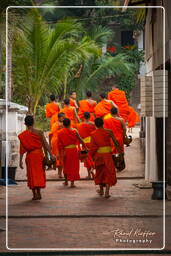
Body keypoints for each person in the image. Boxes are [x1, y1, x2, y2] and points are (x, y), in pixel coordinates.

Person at [18, 115, 55, 200]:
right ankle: (39, 192)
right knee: (39, 174)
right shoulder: (39, 132)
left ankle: (34, 194)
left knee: (32, 175)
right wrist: (51, 154)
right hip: (39, 155)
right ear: (33, 122)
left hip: (30, 156)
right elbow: (45, 144)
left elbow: (21, 149)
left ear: (25, 124)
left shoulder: (23, 135)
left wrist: (20, 161)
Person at [89, 118, 122, 198]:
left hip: (99, 156)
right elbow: (116, 142)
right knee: (108, 172)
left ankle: (101, 190)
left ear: (95, 125)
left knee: (100, 172)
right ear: (103, 123)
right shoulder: (109, 131)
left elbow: (93, 147)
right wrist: (120, 151)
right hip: (107, 155)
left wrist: (92, 156)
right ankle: (106, 192)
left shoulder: (93, 134)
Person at [58, 118, 87, 187]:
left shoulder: (60, 132)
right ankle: (72, 183)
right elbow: (81, 140)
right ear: (70, 123)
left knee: (66, 166)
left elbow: (59, 144)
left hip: (65, 151)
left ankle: (66, 181)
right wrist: (85, 147)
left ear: (63, 124)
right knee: (74, 166)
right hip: (74, 150)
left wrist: (60, 153)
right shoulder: (74, 130)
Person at [77, 112, 96, 179]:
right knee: (93, 157)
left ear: (83, 117)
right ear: (89, 117)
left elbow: (79, 136)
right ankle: (93, 169)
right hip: (92, 143)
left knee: (86, 158)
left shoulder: (80, 125)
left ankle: (89, 175)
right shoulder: (93, 124)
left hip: (84, 144)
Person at [49, 112, 65, 178]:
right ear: (58, 118)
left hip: (61, 141)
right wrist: (49, 144)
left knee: (61, 157)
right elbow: (50, 134)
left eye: (64, 118)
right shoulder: (56, 125)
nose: (64, 119)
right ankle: (60, 173)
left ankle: (60, 173)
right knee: (59, 157)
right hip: (56, 142)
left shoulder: (62, 124)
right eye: (62, 117)